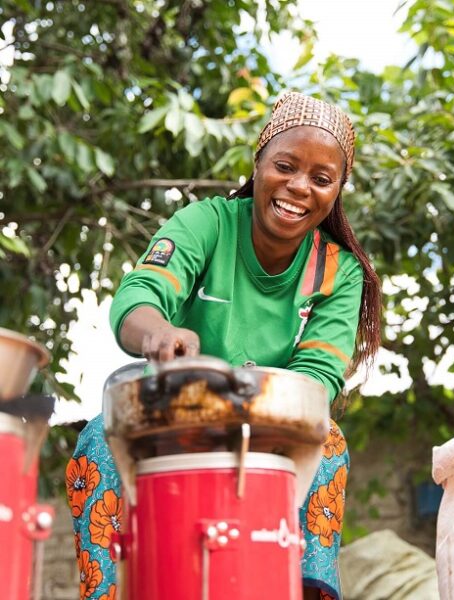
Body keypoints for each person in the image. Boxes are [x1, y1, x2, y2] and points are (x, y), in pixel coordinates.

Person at [66, 91, 381, 600]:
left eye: (321, 179)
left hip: (272, 425)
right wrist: (158, 333)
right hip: (174, 411)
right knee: (103, 434)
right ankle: (105, 591)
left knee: (331, 443)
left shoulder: (338, 272)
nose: (299, 188)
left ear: (338, 189)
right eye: (285, 166)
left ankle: (308, 587)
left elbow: (320, 378)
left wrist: (253, 403)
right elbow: (139, 296)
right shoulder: (207, 223)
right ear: (257, 164)